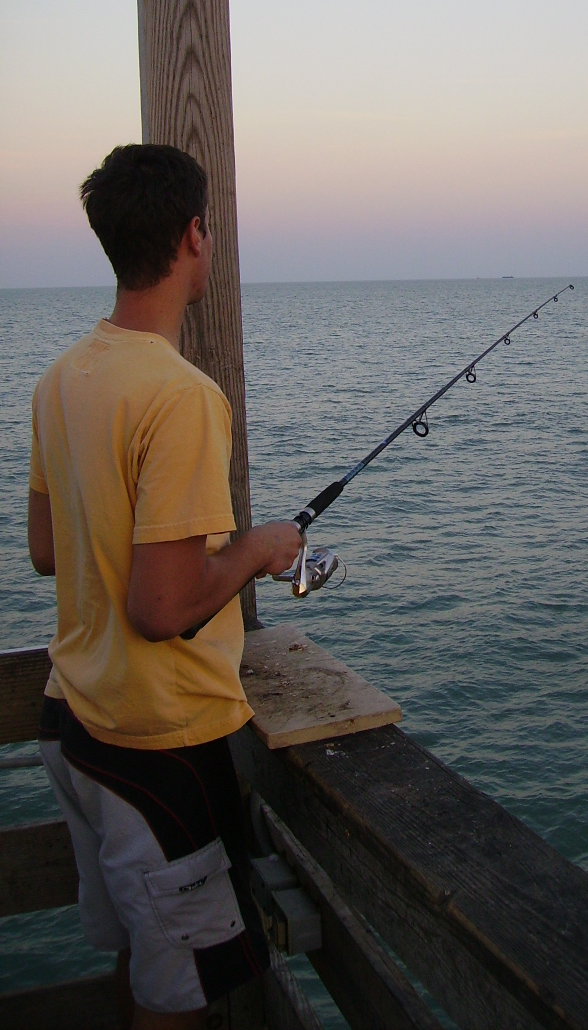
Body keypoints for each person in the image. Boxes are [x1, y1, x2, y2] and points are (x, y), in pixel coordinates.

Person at [26, 144, 303, 1029]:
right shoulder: (181, 398)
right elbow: (160, 609)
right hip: (157, 747)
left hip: (74, 725)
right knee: (177, 1002)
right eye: (208, 230)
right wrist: (259, 548)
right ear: (194, 236)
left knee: (143, 968)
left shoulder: (63, 378)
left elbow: (44, 548)